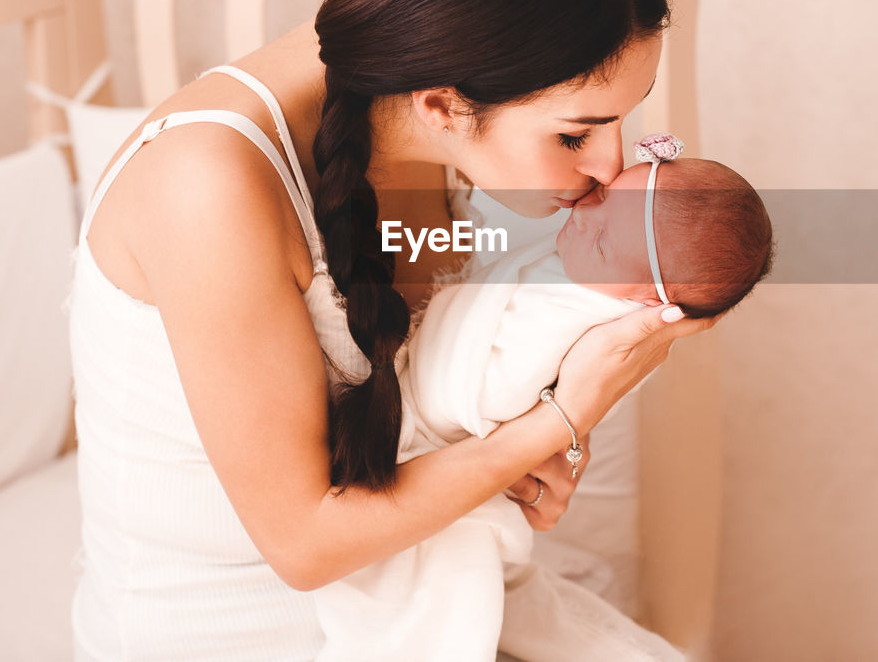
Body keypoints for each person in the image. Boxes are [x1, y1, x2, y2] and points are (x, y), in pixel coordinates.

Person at [68, 0, 718, 659]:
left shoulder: (412, 100)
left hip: (412, 591)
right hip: (245, 631)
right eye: (576, 133)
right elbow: (304, 545)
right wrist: (558, 417)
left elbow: (410, 399)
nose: (610, 167)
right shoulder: (205, 187)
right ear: (443, 105)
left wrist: (512, 458)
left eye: (621, 122)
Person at [311, 135, 774, 661]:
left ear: (648, 301)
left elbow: (505, 388)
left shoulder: (593, 316)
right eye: (599, 201)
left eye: (600, 243)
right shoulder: (550, 219)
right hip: (423, 472)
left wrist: (547, 423)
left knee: (441, 613)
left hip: (437, 441)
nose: (579, 219)